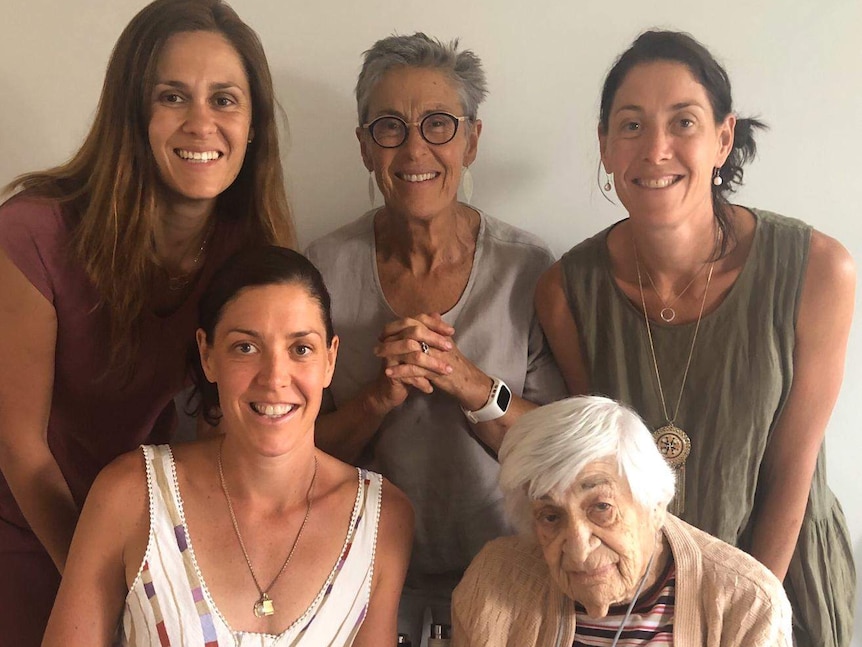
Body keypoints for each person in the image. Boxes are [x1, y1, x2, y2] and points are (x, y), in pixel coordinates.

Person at [534, 30, 855, 646]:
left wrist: (746, 615)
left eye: (683, 121)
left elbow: (791, 471)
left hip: (782, 579)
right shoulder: (565, 291)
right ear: (604, 146)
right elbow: (602, 471)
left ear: (723, 138)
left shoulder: (819, 270)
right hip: (643, 599)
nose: (656, 149)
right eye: (631, 125)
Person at [0, 0, 294, 642]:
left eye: (224, 99)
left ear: (253, 124)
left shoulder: (249, 250)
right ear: (132, 114)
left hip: (143, 526)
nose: (201, 123)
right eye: (172, 96)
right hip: (25, 526)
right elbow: (22, 451)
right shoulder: (33, 232)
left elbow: (240, 425)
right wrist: (99, 584)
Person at [305, 32, 566, 643]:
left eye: (439, 125)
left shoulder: (527, 270)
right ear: (365, 148)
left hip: (507, 583)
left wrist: (471, 384)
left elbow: (559, 455)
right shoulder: (321, 269)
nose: (415, 148)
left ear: (472, 140)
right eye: (390, 127)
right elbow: (291, 451)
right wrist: (375, 398)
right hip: (355, 583)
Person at [42, 246, 414, 646]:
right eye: (246, 347)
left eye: (300, 349)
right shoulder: (130, 494)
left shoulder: (382, 517)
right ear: (208, 355)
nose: (275, 378)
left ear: (329, 359)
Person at [452, 396, 794, 646]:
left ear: (655, 504)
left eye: (601, 507)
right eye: (551, 516)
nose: (579, 549)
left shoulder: (748, 603)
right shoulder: (494, 580)